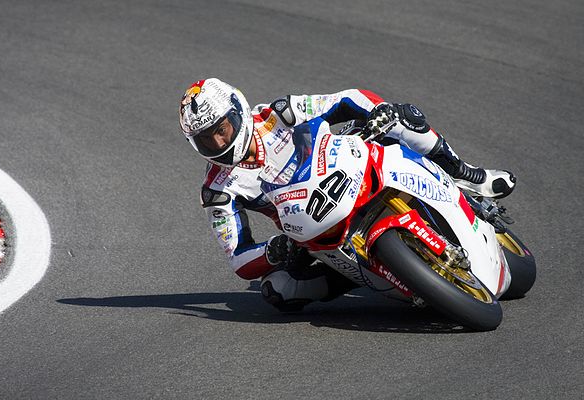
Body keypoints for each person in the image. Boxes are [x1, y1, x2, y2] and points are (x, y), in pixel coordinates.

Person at [178, 78, 516, 312]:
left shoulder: (277, 114)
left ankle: (467, 174)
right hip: (312, 226)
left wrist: (378, 110)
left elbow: (345, 100)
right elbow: (238, 257)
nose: (219, 144)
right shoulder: (218, 190)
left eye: (221, 130)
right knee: (278, 290)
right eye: (207, 140)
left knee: (401, 119)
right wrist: (273, 250)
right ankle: (372, 279)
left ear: (238, 111)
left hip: (344, 168)